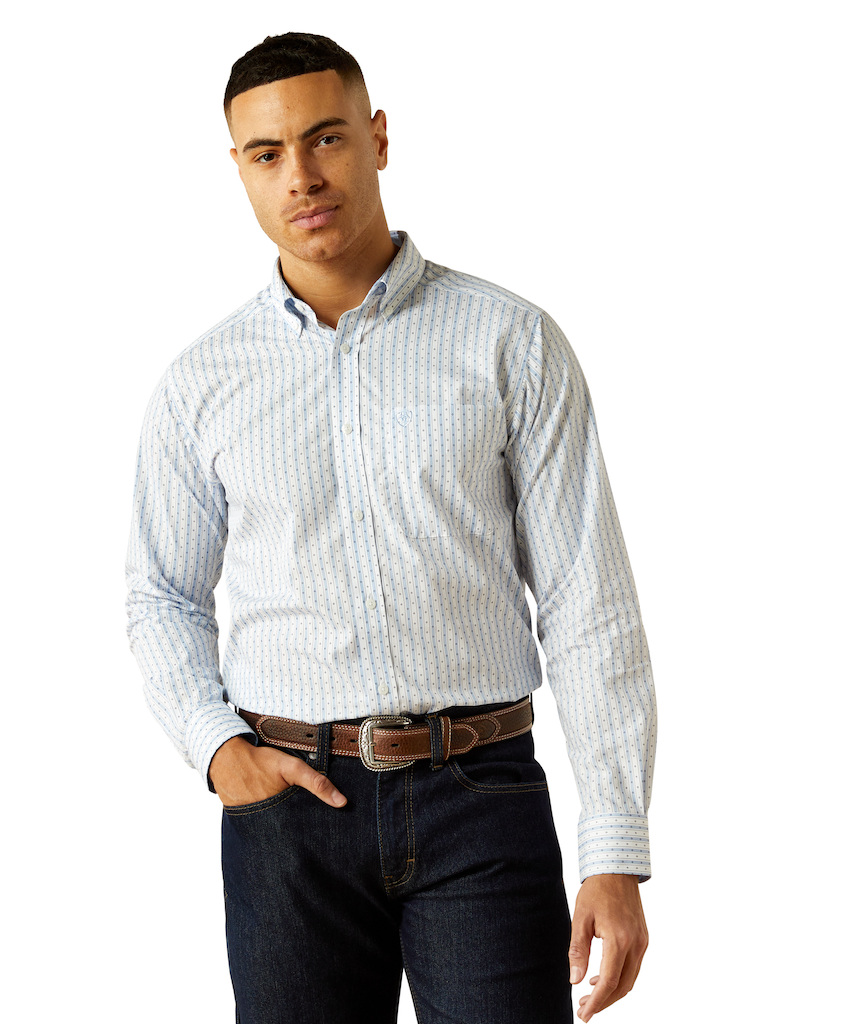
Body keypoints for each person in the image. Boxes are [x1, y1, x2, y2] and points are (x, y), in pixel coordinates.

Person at [125, 32, 656, 1024]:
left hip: (481, 799)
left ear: (377, 138)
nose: (301, 174)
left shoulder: (508, 342)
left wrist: (614, 848)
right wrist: (217, 748)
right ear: (239, 169)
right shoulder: (202, 385)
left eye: (325, 138)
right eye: (268, 153)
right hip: (287, 814)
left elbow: (588, 600)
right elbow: (160, 595)